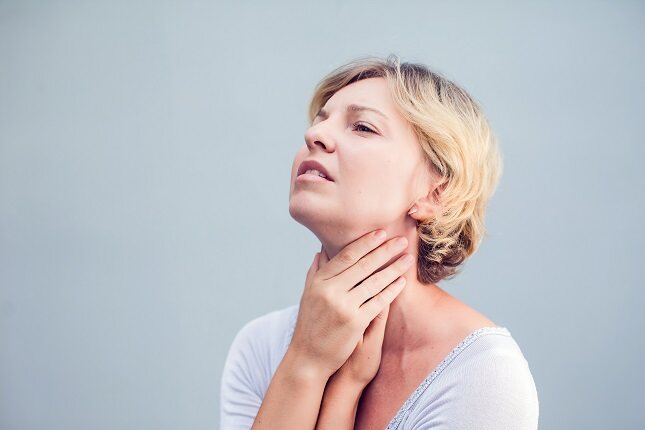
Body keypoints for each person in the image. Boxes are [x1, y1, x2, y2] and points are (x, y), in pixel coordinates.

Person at [220, 55, 539, 429]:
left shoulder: (482, 375)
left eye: (362, 127)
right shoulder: (260, 346)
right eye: (319, 120)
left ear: (435, 193)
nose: (313, 136)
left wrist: (339, 385)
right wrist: (308, 363)